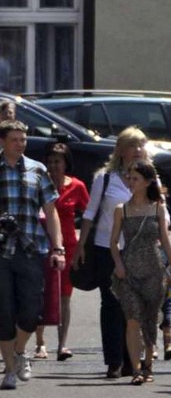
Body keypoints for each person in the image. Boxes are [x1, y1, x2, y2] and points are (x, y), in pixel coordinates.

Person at [74, 126, 149, 378]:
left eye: (141, 145)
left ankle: (133, 360)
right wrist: (80, 246)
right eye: (132, 145)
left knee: (135, 305)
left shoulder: (150, 178)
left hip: (139, 249)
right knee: (112, 303)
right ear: (121, 150)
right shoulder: (104, 178)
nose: (138, 150)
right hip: (107, 246)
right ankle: (114, 360)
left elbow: (160, 213)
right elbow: (89, 214)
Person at [0, 120, 66, 390]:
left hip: (30, 249)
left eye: (23, 139)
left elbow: (51, 213)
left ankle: (18, 351)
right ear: (2, 141)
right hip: (1, 251)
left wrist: (58, 248)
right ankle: (9, 370)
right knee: (3, 312)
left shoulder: (37, 170)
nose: (20, 143)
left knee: (31, 311)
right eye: (15, 139)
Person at [109, 160, 171, 385]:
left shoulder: (158, 208)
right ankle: (136, 368)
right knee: (132, 319)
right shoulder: (122, 209)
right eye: (129, 178)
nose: (131, 182)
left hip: (154, 269)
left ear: (148, 182)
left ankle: (148, 365)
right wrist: (118, 264)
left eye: (135, 178)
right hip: (128, 271)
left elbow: (166, 240)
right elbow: (113, 243)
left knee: (149, 319)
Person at [33, 142, 89, 361]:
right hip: (40, 244)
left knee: (65, 297)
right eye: (51, 161)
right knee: (40, 294)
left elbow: (88, 214)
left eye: (58, 161)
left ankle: (62, 345)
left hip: (67, 248)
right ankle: (40, 343)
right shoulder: (39, 182)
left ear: (66, 163)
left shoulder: (77, 186)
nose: (54, 166)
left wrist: (82, 243)